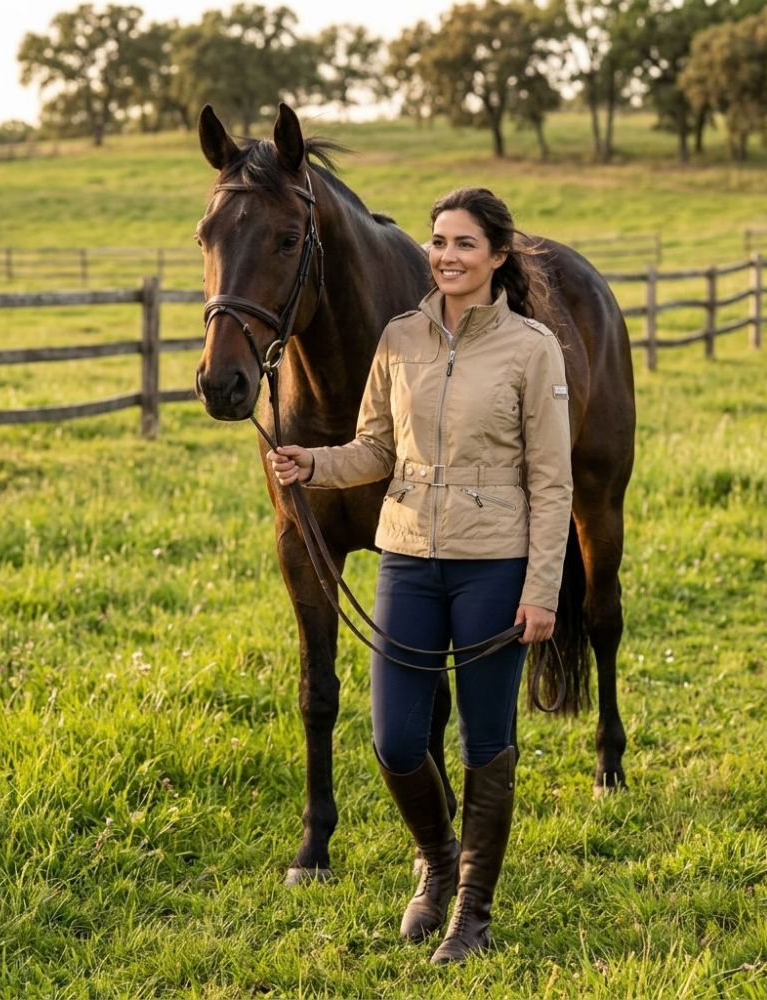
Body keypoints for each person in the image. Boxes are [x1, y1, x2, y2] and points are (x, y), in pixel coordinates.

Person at [268, 187, 573, 964]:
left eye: (465, 243)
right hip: (407, 556)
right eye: (439, 241)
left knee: (485, 742)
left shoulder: (531, 348)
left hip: (492, 564)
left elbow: (553, 480)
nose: (446, 255)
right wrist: (313, 462)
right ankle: (436, 861)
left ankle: (472, 910)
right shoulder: (401, 336)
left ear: (497, 257)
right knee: (397, 739)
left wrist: (542, 588)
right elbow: (375, 447)